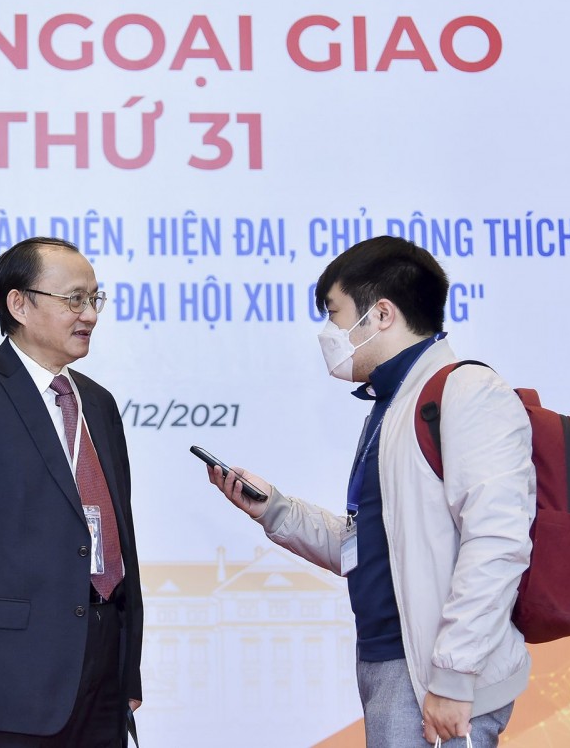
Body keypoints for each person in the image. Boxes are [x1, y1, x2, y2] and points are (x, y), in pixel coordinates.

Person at [204, 236, 534, 747]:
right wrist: (276, 511)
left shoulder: (465, 392)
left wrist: (454, 674)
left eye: (333, 314)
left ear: (381, 314)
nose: (328, 333)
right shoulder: (392, 405)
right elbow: (370, 545)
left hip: (436, 677)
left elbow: (498, 540)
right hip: (392, 666)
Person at [0, 236, 143, 748]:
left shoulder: (98, 402)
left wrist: (128, 670)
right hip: (9, 682)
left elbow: (116, 538)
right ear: (19, 303)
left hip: (103, 671)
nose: (90, 314)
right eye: (74, 299)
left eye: (94, 299)